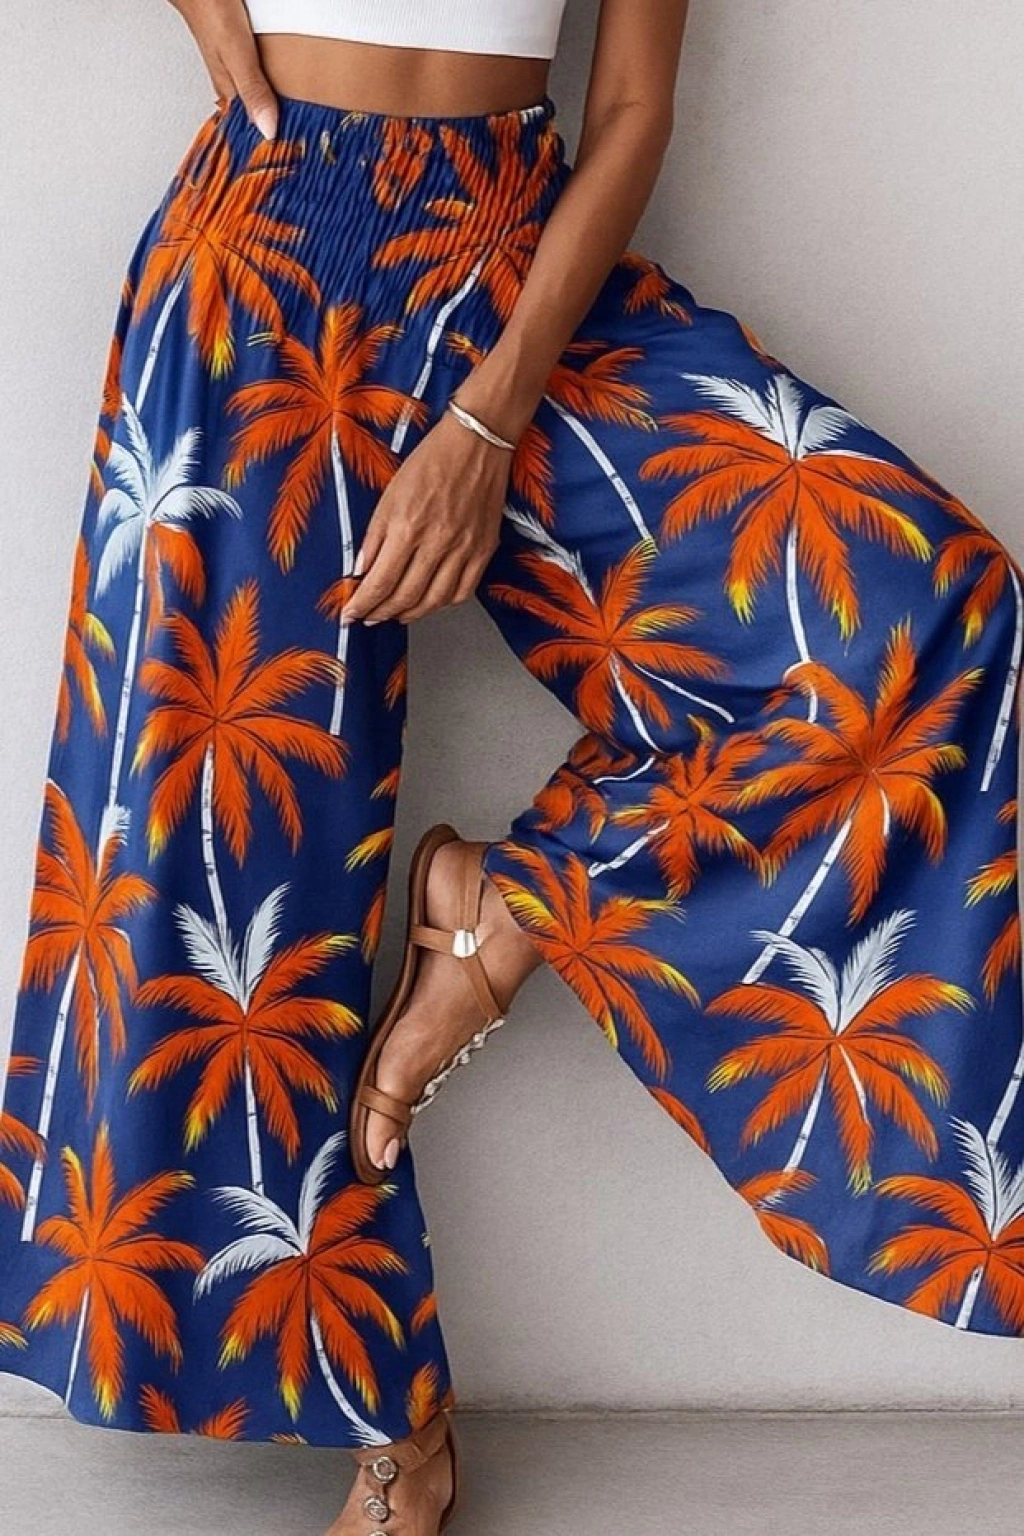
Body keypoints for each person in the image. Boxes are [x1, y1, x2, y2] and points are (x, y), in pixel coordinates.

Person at [1, 1, 1022, 1532]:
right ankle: (391, 1417)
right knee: (235, 887)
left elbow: (632, 109)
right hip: (259, 258)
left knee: (916, 606)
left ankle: (510, 909)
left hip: (518, 253)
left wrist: (489, 417)